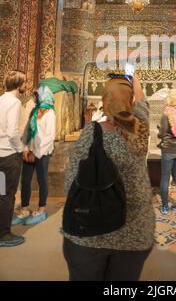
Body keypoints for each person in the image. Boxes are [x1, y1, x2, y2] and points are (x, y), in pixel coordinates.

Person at [63, 74, 155, 281]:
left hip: (88, 233)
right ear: (130, 101)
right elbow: (142, 104)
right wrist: (136, 80)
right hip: (135, 236)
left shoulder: (89, 134)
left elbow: (69, 184)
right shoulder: (139, 130)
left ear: (103, 103)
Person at [12, 86, 56, 226]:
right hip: (29, 151)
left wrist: (36, 154)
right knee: (25, 180)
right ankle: (25, 209)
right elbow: (27, 131)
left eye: (36, 94)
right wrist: (25, 148)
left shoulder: (50, 113)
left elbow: (50, 136)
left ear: (44, 95)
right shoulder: (34, 111)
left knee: (42, 180)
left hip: (42, 152)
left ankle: (41, 209)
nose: (34, 97)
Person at [0, 70, 26, 247]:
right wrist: (21, 149)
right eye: (24, 82)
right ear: (19, 85)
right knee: (7, 196)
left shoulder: (1, 99)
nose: (26, 85)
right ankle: (4, 234)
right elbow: (12, 132)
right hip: (9, 156)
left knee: (1, 194)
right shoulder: (14, 102)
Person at [157, 89, 176, 215]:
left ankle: (164, 206)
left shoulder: (166, 113)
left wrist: (159, 134)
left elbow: (163, 133)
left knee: (165, 178)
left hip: (168, 149)